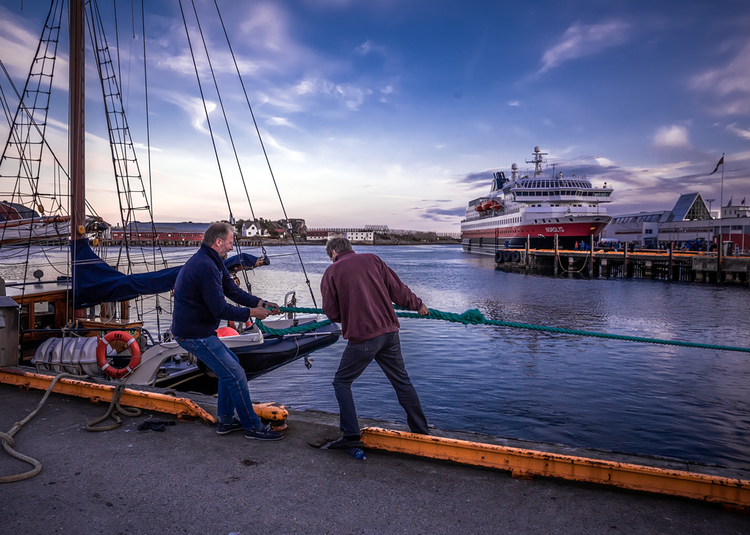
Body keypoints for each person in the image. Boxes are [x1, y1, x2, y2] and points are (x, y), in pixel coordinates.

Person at [171, 222, 284, 441]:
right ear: (219, 242)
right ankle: (253, 427)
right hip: (194, 334)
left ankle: (225, 420)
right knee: (235, 374)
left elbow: (232, 290)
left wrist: (262, 301)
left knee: (229, 368)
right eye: (231, 243)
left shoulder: (212, 261)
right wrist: (253, 312)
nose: (233, 248)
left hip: (200, 331)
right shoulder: (205, 266)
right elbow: (220, 309)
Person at [320, 237, 430, 450]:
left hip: (363, 338)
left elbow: (332, 313)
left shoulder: (331, 273)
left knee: (341, 382)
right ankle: (421, 431)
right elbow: (398, 290)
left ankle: (351, 434)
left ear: (333, 253)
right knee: (402, 381)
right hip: (389, 332)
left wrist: (352, 315)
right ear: (351, 249)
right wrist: (418, 304)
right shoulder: (373, 260)